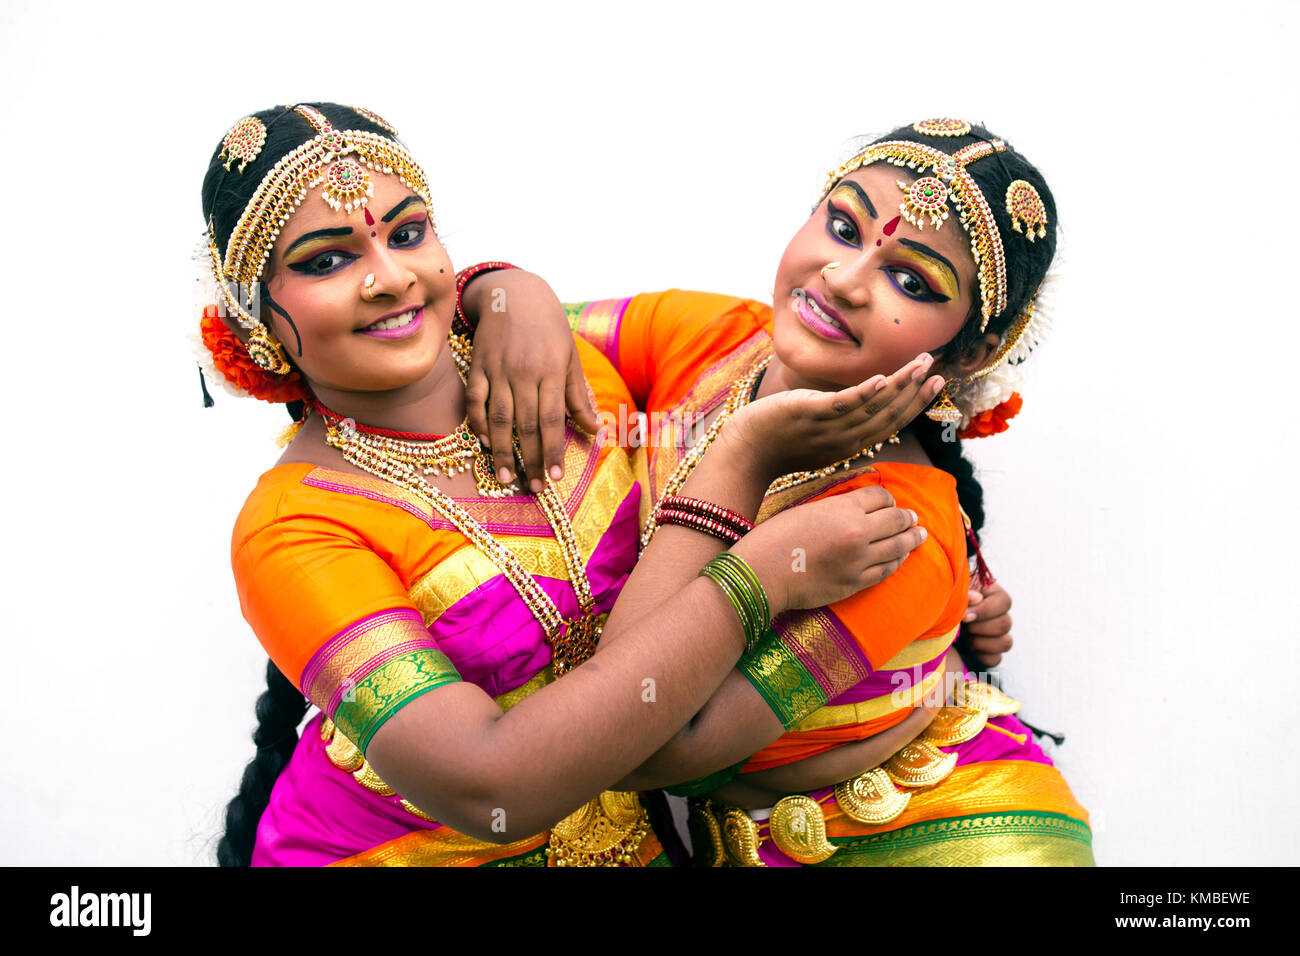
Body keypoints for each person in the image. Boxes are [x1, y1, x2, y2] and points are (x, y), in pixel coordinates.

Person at [197, 102, 939, 866]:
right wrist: (756, 580)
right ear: (253, 319)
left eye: (409, 233)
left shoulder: (563, 368)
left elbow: (780, 363)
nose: (390, 278)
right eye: (326, 261)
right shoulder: (294, 528)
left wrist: (510, 290)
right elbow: (493, 793)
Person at [547, 119, 1095, 865]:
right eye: (843, 225)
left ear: (973, 348)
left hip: (943, 838)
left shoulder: (896, 529)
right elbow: (476, 333)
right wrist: (499, 287)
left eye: (910, 281)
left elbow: (636, 747)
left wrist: (741, 461)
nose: (843, 277)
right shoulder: (713, 336)